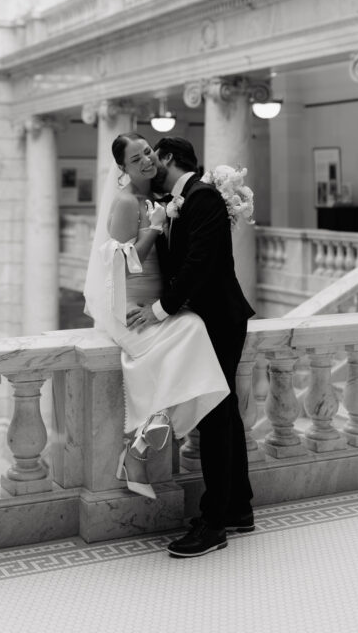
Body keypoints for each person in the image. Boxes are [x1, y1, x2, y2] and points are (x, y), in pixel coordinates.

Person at [127, 135, 255, 558]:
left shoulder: (202, 200)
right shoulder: (181, 202)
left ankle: (213, 524)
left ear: (167, 158)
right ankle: (238, 507)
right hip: (206, 322)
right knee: (226, 413)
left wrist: (160, 311)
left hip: (219, 321)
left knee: (216, 418)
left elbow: (201, 264)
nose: (150, 164)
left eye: (153, 156)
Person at [83, 132, 229, 500]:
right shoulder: (127, 201)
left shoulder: (158, 197)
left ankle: (141, 446)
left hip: (154, 305)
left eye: (148, 152)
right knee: (192, 329)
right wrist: (154, 228)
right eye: (136, 159)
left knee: (192, 332)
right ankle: (143, 441)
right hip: (129, 308)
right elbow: (120, 264)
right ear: (122, 168)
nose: (147, 160)